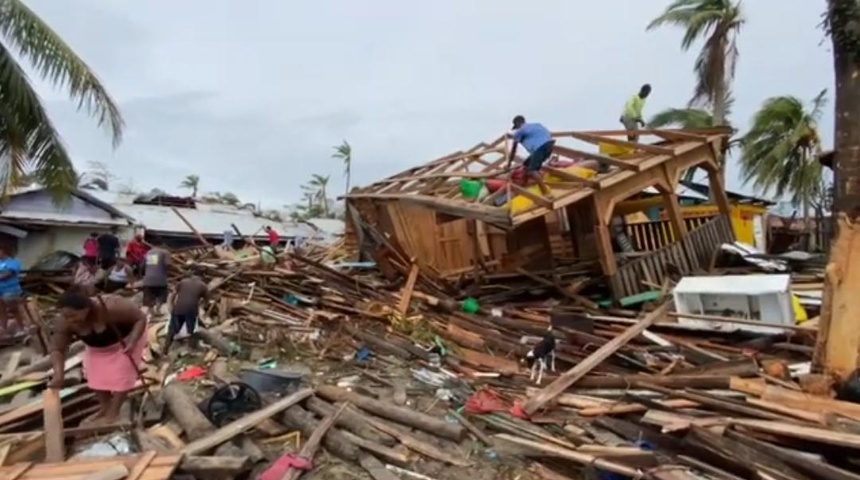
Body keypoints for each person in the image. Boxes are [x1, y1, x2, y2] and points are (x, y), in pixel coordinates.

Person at [48, 289, 147, 424]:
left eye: (73, 315)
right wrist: (58, 374)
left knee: (122, 373)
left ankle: (114, 410)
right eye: (66, 317)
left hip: (126, 341)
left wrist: (133, 341)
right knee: (94, 376)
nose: (70, 320)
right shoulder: (65, 322)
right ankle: (105, 407)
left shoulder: (112, 306)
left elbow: (140, 318)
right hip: (97, 348)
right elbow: (57, 349)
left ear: (86, 308)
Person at [165, 269, 210, 352]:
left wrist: (171, 306)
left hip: (178, 308)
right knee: (192, 331)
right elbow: (207, 302)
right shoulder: (203, 286)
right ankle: (191, 349)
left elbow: (173, 295)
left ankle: (164, 350)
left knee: (172, 330)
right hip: (191, 310)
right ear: (202, 276)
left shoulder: (183, 282)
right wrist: (201, 307)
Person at [508, 115, 554, 196]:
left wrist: (509, 163)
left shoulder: (519, 131)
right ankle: (526, 185)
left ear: (517, 124)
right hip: (549, 145)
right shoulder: (537, 125)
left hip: (539, 148)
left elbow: (513, 150)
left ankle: (546, 193)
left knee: (532, 170)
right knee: (526, 164)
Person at [0, 248, 24, 336]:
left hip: (10, 290)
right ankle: (3, 329)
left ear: (2, 251)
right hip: (0, 290)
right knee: (1, 310)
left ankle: (21, 328)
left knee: (13, 310)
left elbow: (8, 274)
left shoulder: (13, 262)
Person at [140, 247, 170, 316]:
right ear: (162, 245)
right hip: (160, 279)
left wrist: (143, 275)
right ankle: (158, 309)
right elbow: (168, 264)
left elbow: (142, 266)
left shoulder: (148, 252)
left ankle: (152, 311)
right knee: (162, 295)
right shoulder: (165, 252)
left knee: (149, 295)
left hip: (148, 279)